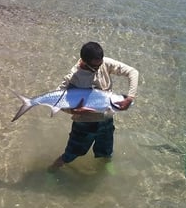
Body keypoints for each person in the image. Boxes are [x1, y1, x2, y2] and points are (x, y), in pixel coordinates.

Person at [48, 42, 139, 171]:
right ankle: (52, 170)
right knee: (71, 154)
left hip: (106, 120)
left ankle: (106, 166)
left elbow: (132, 72)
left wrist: (130, 97)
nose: (98, 68)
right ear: (84, 62)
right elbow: (57, 99)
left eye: (100, 65)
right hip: (84, 124)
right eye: (94, 67)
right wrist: (73, 110)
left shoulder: (105, 63)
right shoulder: (73, 76)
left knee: (106, 151)